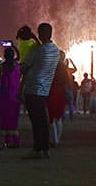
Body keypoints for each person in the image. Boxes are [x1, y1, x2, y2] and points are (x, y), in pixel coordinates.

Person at [21, 22, 60, 159]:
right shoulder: (56, 51)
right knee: (43, 120)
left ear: (40, 34)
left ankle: (37, 149)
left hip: (32, 88)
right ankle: (45, 149)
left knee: (36, 122)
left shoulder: (36, 51)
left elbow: (24, 67)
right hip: (45, 90)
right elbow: (43, 49)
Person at [0, 47, 21, 148]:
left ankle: (6, 141)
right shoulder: (17, 66)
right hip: (15, 96)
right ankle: (16, 141)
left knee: (5, 120)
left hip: (5, 96)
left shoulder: (3, 67)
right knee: (14, 120)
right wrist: (15, 47)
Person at [47, 50, 68, 146]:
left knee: (52, 118)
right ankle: (57, 139)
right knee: (58, 118)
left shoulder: (55, 67)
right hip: (61, 93)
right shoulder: (64, 68)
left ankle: (54, 140)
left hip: (54, 93)